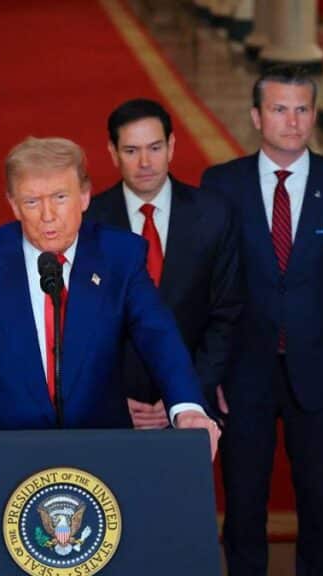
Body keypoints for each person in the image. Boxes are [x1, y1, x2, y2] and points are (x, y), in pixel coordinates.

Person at [0, 136, 219, 473]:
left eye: (60, 198)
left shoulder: (120, 256)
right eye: (32, 202)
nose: (48, 216)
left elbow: (159, 337)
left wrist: (187, 407)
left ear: (84, 195)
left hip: (96, 456)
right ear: (13, 205)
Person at [200, 66, 323, 576]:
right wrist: (207, 375)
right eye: (280, 109)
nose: (292, 121)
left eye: (302, 109)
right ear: (256, 117)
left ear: (313, 115)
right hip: (243, 375)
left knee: (320, 504)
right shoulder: (220, 185)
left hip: (322, 372)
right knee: (242, 506)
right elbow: (207, 289)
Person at [85, 98, 240, 425]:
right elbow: (79, 326)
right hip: (114, 410)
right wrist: (109, 399)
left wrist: (186, 397)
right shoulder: (89, 223)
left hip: (192, 408)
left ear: (171, 147)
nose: (144, 162)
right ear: (112, 153)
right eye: (131, 151)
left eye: (154, 148)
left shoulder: (213, 214)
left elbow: (226, 315)